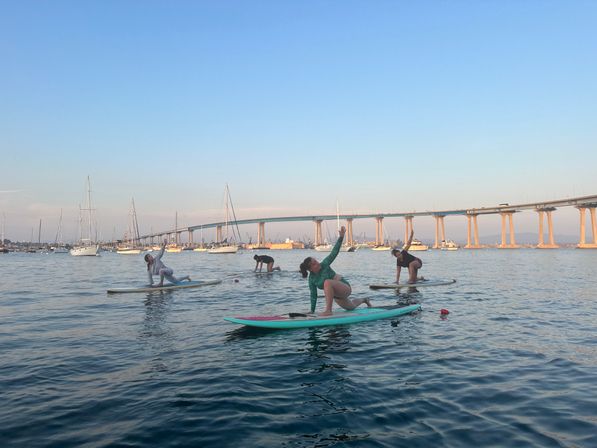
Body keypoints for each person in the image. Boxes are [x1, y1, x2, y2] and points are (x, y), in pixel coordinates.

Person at [299, 226, 371, 316]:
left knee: (327, 282)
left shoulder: (324, 264)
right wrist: (312, 311)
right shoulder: (312, 279)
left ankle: (328, 310)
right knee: (352, 307)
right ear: (310, 269)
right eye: (314, 264)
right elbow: (313, 295)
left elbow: (334, 252)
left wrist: (341, 237)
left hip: (344, 287)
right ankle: (364, 300)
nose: (317, 263)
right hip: (336, 296)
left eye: (316, 261)